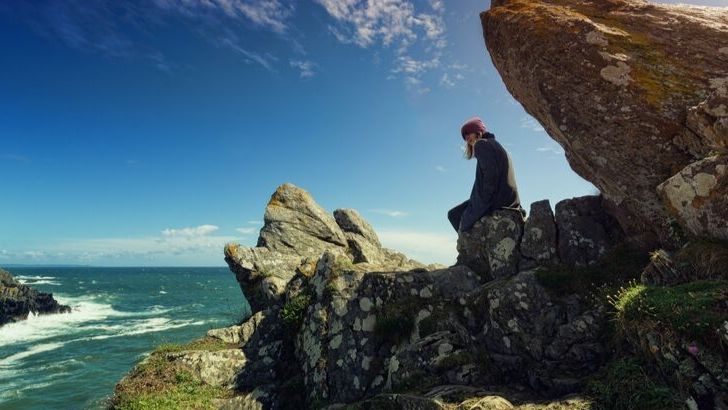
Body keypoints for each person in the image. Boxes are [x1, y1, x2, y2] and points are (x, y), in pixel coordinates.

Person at [448, 116, 524, 233]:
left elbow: (491, 178)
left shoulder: (481, 144)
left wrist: (480, 206)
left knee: (454, 215)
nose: (466, 137)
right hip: (509, 199)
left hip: (497, 201)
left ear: (478, 131)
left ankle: (468, 241)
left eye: (468, 132)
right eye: (464, 136)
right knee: (456, 213)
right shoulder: (496, 145)